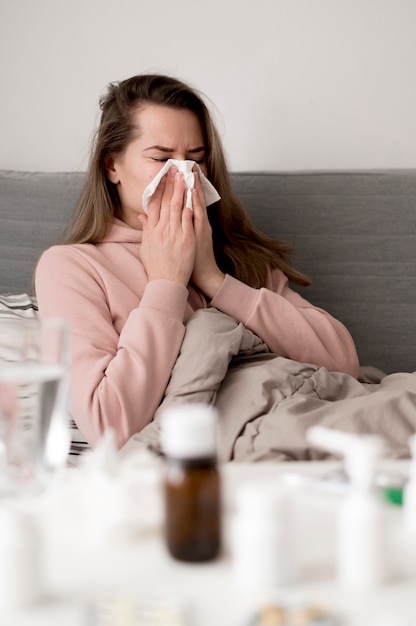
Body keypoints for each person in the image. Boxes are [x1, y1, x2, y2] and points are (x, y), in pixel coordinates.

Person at [35, 73, 359, 449]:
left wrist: (214, 279)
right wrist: (167, 285)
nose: (183, 174)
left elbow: (342, 363)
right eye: (160, 158)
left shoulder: (236, 253)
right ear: (112, 167)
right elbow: (108, 425)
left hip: (311, 420)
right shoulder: (72, 267)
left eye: (196, 159)